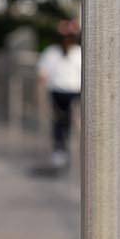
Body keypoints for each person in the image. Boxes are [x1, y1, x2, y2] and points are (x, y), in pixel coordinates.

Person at [37, 17, 82, 173]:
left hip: (75, 93)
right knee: (59, 123)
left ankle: (77, 150)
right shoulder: (52, 53)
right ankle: (60, 151)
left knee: (74, 123)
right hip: (58, 93)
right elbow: (43, 74)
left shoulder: (79, 54)